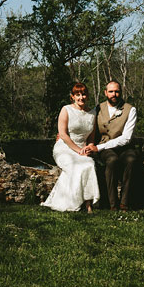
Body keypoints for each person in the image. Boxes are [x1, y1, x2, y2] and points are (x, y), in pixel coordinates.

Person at [41, 82, 101, 213]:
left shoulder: (92, 114)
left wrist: (89, 147)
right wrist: (78, 150)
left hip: (82, 149)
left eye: (84, 94)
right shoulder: (66, 109)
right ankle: (73, 203)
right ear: (72, 96)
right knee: (76, 167)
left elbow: (91, 137)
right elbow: (62, 134)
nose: (81, 97)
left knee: (89, 164)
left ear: (88, 96)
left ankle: (88, 204)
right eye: (77, 95)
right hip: (65, 148)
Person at [81, 80, 137, 211]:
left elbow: (126, 138)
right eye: (111, 91)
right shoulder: (98, 108)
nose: (114, 94)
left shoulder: (130, 109)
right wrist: (65, 133)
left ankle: (124, 203)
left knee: (131, 160)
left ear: (121, 92)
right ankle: (112, 204)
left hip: (124, 147)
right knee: (112, 160)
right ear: (105, 93)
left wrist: (98, 147)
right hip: (105, 148)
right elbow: (85, 124)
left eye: (117, 91)